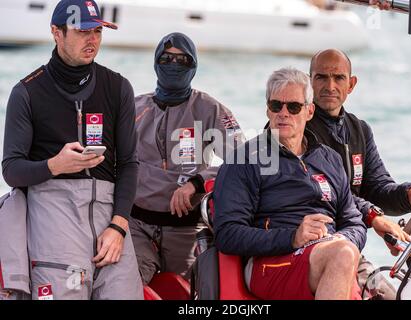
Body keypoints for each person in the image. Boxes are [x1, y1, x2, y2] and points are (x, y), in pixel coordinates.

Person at [1, 0, 143, 300]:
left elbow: (129, 163)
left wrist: (118, 226)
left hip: (109, 218)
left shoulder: (118, 87)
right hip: (53, 214)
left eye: (98, 31)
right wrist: (54, 165)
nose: (92, 39)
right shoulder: (26, 92)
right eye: (82, 32)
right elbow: (11, 170)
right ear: (57, 32)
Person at [213, 67, 367, 300]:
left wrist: (342, 239)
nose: (283, 113)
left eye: (293, 107)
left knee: (349, 254)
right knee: (343, 255)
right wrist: (293, 237)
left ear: (310, 111)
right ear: (268, 110)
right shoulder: (244, 159)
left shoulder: (329, 159)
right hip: (269, 264)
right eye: (277, 106)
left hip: (329, 253)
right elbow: (227, 234)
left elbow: (354, 221)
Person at [307, 49, 411, 298]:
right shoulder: (299, 129)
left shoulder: (359, 130)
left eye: (338, 78)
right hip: (318, 242)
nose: (330, 85)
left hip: (351, 242)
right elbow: (331, 192)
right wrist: (374, 217)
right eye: (321, 77)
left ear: (352, 84)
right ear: (310, 81)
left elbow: (378, 187)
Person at [129, 32, 245, 285]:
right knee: (126, 286)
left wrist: (198, 182)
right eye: (167, 58)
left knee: (186, 290)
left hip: (185, 230)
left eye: (182, 60)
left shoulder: (208, 109)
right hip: (136, 226)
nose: (173, 65)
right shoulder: (134, 108)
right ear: (156, 62)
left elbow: (244, 160)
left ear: (193, 65)